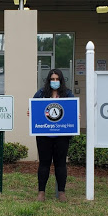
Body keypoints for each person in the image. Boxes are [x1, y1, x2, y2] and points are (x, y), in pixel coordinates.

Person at [31, 68, 74, 202]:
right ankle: (41, 192)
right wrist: (30, 112)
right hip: (44, 136)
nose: (55, 82)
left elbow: (73, 111)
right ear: (48, 80)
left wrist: (76, 115)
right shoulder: (41, 94)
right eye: (52, 79)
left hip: (62, 136)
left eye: (57, 79)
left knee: (61, 164)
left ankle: (61, 192)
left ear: (61, 81)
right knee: (44, 163)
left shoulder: (68, 94)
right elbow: (34, 109)